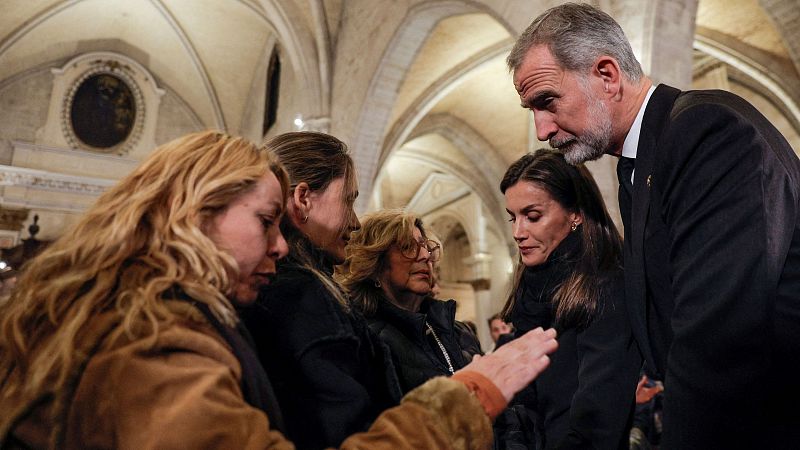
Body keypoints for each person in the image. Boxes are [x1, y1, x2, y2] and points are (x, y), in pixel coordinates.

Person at [0, 130, 560, 449]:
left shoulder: (132, 312)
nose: (281, 246)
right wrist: (465, 400)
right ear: (197, 213)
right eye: (265, 221)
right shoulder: (147, 342)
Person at [507, 3, 800, 448]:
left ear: (607, 75)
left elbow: (718, 341)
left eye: (547, 101)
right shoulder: (642, 162)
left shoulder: (703, 130)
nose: (541, 129)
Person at [239, 132, 397, 449]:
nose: (355, 223)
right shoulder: (303, 295)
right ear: (304, 199)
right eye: (349, 200)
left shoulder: (259, 288)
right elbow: (346, 431)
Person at [498, 149, 641, 449]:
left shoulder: (606, 284)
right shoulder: (532, 289)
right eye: (513, 218)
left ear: (575, 213)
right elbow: (522, 400)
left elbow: (598, 419)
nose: (517, 232)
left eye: (532, 216)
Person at [338, 209, 482, 394]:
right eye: (408, 247)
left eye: (426, 247)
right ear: (374, 264)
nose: (425, 256)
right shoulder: (364, 342)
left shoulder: (460, 331)